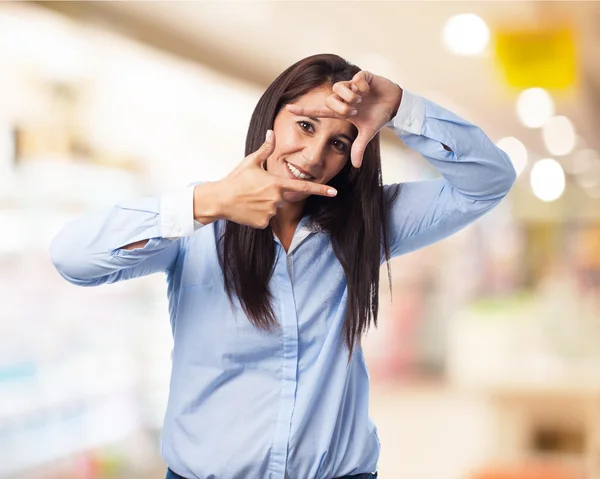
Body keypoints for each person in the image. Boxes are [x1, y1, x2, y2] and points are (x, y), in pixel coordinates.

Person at [50, 53, 517, 479]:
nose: (314, 157)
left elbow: (489, 182)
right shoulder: (197, 225)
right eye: (306, 126)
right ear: (270, 115)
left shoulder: (369, 224)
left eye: (339, 143)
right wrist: (206, 202)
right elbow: (72, 258)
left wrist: (401, 107)